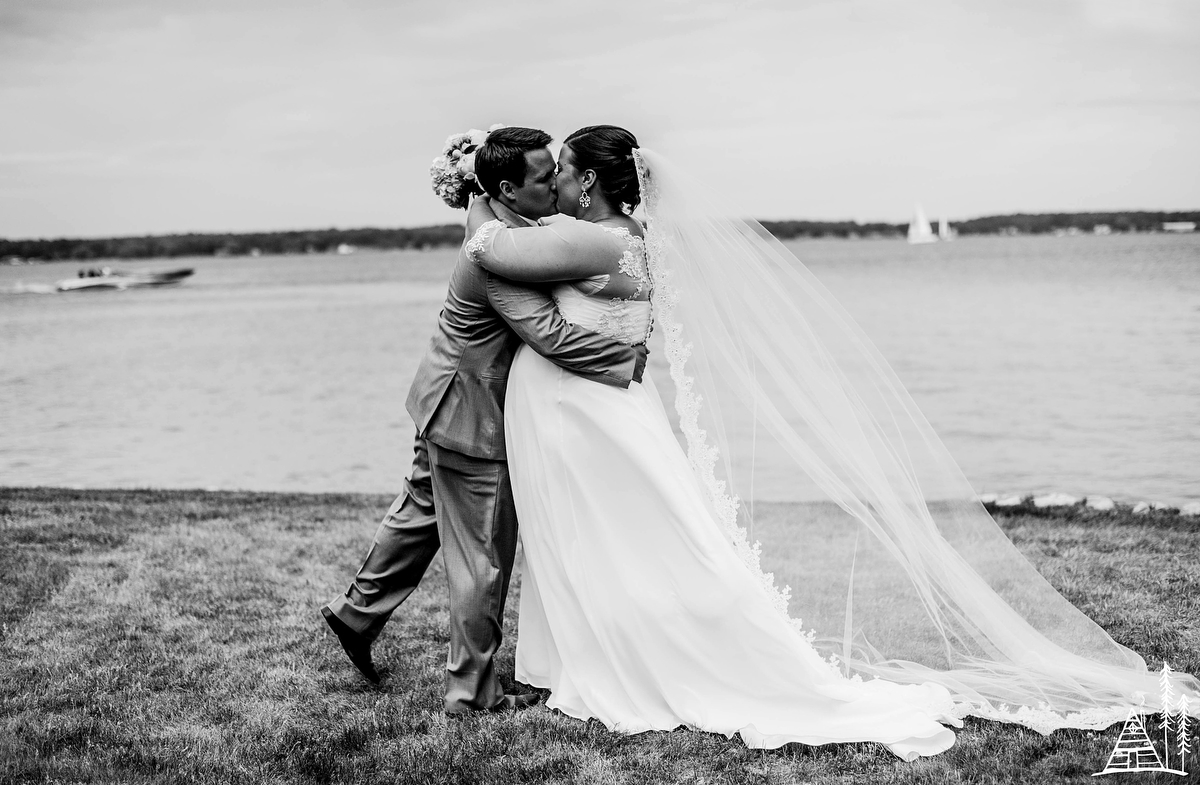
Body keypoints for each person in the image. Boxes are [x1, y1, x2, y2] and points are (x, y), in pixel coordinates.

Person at [463, 125, 1199, 757]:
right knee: (622, 544)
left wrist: (472, 197)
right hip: (597, 419)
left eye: (559, 168)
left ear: (589, 179)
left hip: (596, 422)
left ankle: (647, 659)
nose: (552, 178)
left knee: (632, 544)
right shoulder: (614, 234)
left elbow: (496, 252)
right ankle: (609, 651)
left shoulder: (592, 237)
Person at [321, 126, 647, 715]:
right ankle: (471, 691)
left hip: (441, 395)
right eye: (544, 177)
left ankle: (355, 615)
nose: (555, 185)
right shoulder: (504, 256)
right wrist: (630, 358)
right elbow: (548, 334)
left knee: (420, 510)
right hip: (472, 412)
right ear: (507, 188)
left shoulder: (506, 225)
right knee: (482, 555)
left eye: (556, 171)